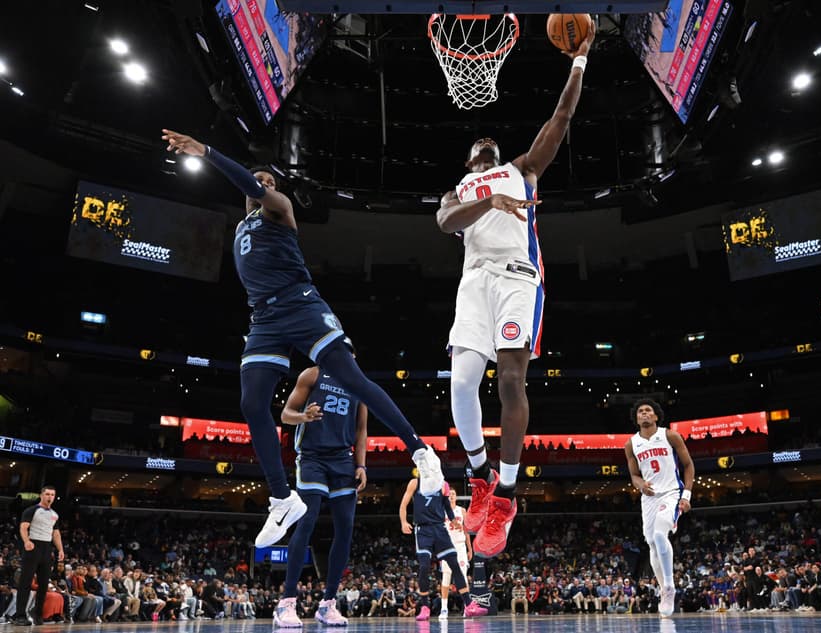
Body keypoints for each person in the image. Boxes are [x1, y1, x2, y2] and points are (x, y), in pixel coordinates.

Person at [161, 128, 444, 547]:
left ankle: (420, 451)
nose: (264, 185)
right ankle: (282, 500)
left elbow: (252, 186)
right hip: (264, 318)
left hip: (301, 304)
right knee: (252, 403)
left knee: (351, 380)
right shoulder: (239, 227)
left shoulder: (280, 209)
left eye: (269, 182)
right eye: (260, 180)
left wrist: (206, 152)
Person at [435, 25, 596, 561]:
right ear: (468, 161)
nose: (485, 142)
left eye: (490, 142)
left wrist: (578, 61)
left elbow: (562, 118)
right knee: (461, 384)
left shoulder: (521, 169)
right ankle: (480, 476)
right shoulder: (458, 190)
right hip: (474, 282)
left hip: (517, 278)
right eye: (476, 145)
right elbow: (445, 223)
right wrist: (489, 203)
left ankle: (504, 494)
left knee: (509, 379)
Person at [272, 337, 366, 628]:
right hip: (312, 458)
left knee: (346, 529)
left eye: (350, 354)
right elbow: (286, 415)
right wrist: (304, 416)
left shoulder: (358, 384)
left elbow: (361, 429)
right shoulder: (312, 374)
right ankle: (287, 602)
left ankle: (328, 604)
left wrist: (361, 464)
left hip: (343, 460)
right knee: (307, 520)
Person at [624, 399, 694, 618]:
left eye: (648, 410)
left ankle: (670, 586)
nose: (644, 413)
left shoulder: (670, 435)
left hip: (671, 492)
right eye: (640, 411)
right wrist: (640, 485)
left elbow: (688, 465)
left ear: (656, 416)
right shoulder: (631, 444)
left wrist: (686, 495)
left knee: (659, 534)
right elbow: (634, 475)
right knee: (653, 544)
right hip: (649, 498)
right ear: (636, 418)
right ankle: (664, 589)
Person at [399, 478, 487, 621]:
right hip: (424, 529)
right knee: (426, 568)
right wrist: (403, 521)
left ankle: (468, 605)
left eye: (453, 494)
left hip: (445, 533)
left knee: (457, 568)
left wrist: (454, 522)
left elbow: (447, 507)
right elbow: (403, 505)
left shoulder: (444, 487)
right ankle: (428, 607)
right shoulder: (415, 483)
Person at [12, 485, 64, 626]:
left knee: (44, 584)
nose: (49, 497)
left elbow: (56, 533)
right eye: (47, 494)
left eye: (52, 495)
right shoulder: (32, 510)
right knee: (25, 582)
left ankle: (38, 613)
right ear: (41, 495)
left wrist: (60, 549)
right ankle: (20, 615)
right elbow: (23, 527)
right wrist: (26, 541)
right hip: (33, 546)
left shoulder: (54, 514)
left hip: (47, 549)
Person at [438, 487, 472, 620]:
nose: (451, 496)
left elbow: (466, 531)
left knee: (463, 576)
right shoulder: (441, 511)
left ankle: (467, 607)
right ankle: (444, 608)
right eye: (449, 494)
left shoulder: (462, 511)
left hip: (460, 546)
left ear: (456, 497)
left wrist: (470, 549)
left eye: (453, 494)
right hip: (447, 546)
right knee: (446, 577)